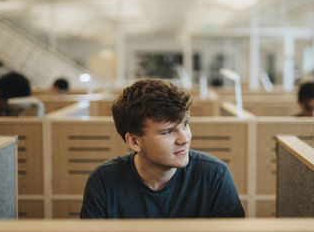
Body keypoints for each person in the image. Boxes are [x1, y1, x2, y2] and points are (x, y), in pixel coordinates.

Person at [80, 79, 245, 218]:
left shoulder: (214, 175)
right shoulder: (104, 180)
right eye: (168, 132)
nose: (184, 138)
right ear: (134, 142)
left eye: (185, 125)